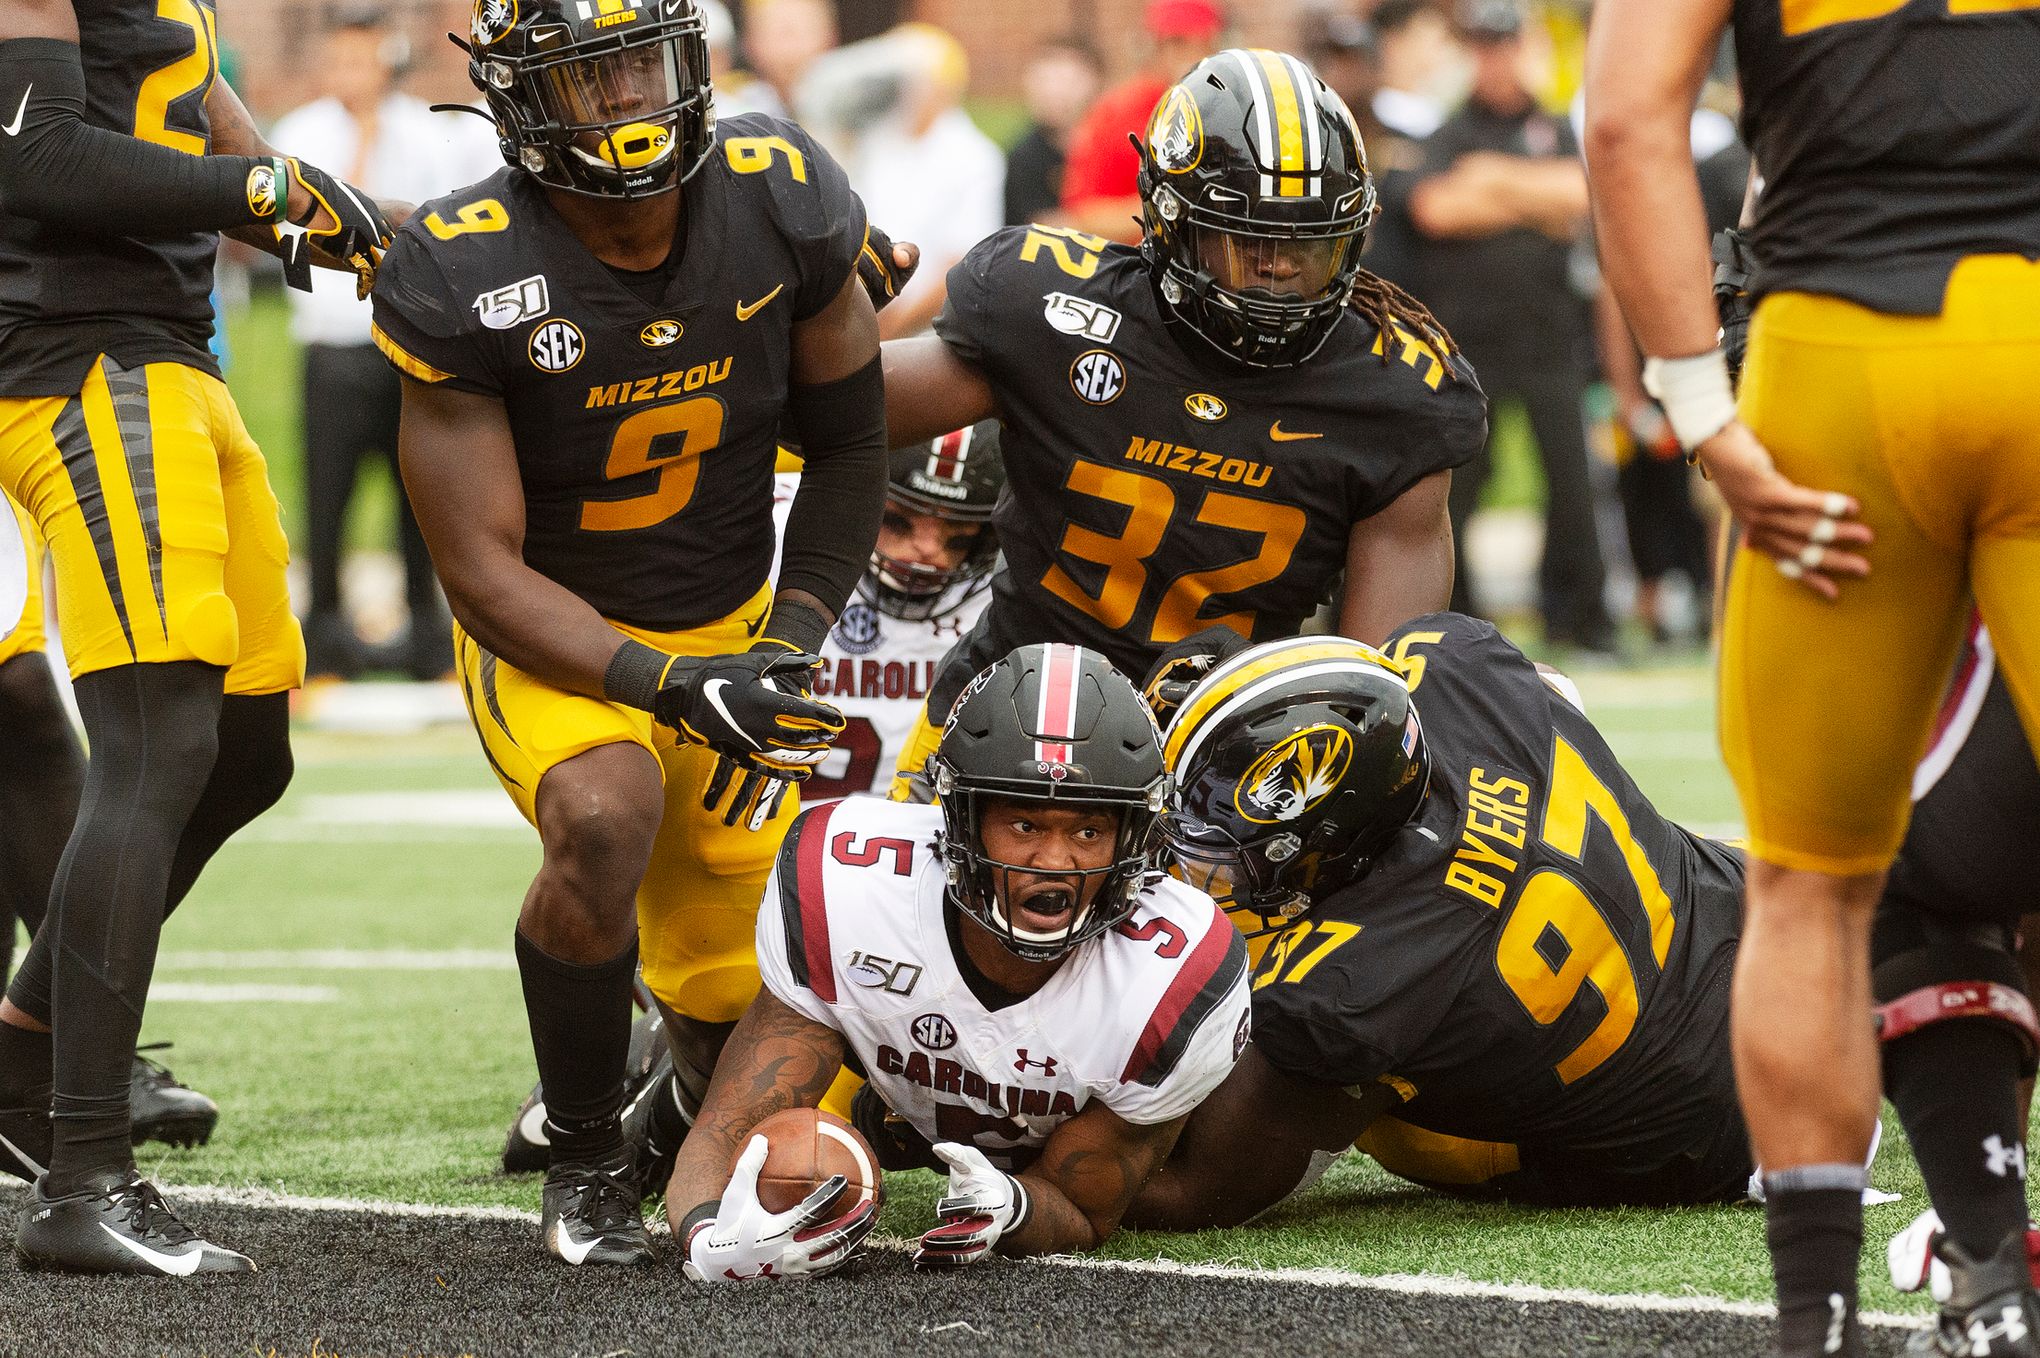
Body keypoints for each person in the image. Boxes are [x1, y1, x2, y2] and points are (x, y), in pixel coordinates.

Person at [372, 0, 886, 1267]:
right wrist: (664, 681)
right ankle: (586, 1152)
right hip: (557, 635)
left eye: (640, 66)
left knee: (759, 1037)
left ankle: (655, 1096)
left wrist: (792, 635)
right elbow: (479, 566)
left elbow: (854, 443)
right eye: (586, 80)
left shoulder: (779, 191)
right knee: (603, 815)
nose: (625, 102)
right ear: (516, 99)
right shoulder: (460, 260)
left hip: (733, 618)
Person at [1585, 0, 2040, 1347]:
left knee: (1811, 883)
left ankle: (1818, 1320)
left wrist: (1696, 406)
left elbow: (1625, 117)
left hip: (1840, 350)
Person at [0, 0, 392, 1274]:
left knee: (241, 746)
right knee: (157, 740)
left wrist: (323, 203)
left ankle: (19, 1051)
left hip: (169, 356)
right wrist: (262, 183)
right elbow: (42, 152)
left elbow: (199, 92)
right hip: (76, 358)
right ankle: (82, 1178)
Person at [880, 51, 1485, 802]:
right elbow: (838, 416)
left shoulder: (1396, 391)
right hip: (1003, 720)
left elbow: (1375, 685)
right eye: (1252, 242)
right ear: (1174, 222)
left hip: (1223, 761)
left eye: (1309, 245)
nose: (1282, 272)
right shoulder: (1055, 313)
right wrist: (808, 310)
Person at [1126, 622, 1752, 1226]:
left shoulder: (1348, 987)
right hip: (1764, 923)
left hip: (1728, 1125)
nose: (1196, 866)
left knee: (1383, 1120)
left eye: (1221, 850)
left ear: (1330, 841)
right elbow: (1557, 690)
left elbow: (1196, 1189)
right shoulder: (1458, 660)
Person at [667, 643, 1250, 1278]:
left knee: (1204, 1193)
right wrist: (706, 1236)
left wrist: (1015, 1206)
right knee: (785, 1153)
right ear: (963, 822)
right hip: (877, 1071)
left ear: (1132, 835)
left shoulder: (1176, 968)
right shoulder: (851, 883)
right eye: (1024, 825)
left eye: (1087, 832)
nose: (1055, 863)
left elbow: (1084, 1210)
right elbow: (725, 1133)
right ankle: (658, 1096)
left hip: (1057, 1127)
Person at [271, 5, 499, 682]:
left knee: (420, 497)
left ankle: (429, 638)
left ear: (386, 59)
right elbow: (290, 242)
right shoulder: (299, 133)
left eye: (362, 58)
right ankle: (327, 641)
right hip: (332, 342)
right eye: (339, 59)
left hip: (402, 341)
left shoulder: (430, 131)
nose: (351, 74)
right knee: (327, 499)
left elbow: (439, 233)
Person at [1410, 0, 1612, 653]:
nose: (1494, 58)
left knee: (1572, 485)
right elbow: (1437, 209)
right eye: (1483, 46)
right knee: (1459, 489)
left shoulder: (1552, 125)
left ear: (1521, 47)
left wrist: (1493, 179)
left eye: (1503, 44)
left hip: (1549, 336)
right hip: (1473, 344)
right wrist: (1536, 201)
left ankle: (1579, 619)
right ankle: (1457, 621)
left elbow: (1583, 196)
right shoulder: (1448, 129)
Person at [822, 24, 1004, 340]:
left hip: (932, 329)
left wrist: (893, 324)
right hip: (860, 313)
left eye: (914, 81)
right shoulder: (877, 137)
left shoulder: (974, 156)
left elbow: (963, 260)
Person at [1056, 0, 1225, 244]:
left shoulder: (1223, 107)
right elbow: (1084, 215)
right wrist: (1174, 205)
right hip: (1133, 265)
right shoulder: (1115, 113)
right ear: (1157, 45)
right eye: (1178, 42)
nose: (1192, 55)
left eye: (1205, 44)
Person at [1004, 37, 1104, 228]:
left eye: (1066, 80)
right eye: (1044, 80)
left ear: (1095, 81)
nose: (1053, 91)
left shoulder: (1116, 145)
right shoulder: (1024, 158)